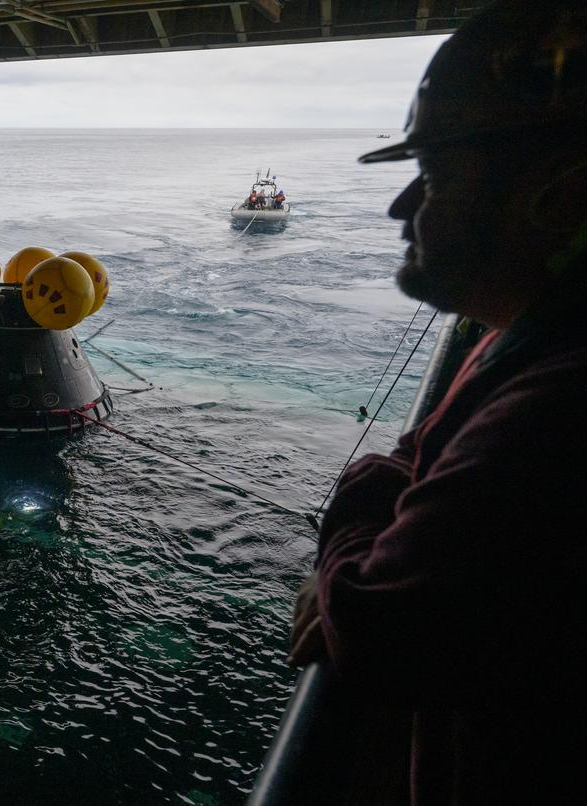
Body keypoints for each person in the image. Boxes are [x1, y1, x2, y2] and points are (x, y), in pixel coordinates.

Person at [287, 3, 587, 803]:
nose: (400, 207)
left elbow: (379, 623)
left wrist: (360, 500)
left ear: (561, 196)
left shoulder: (557, 403)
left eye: (438, 175)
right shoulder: (523, 341)